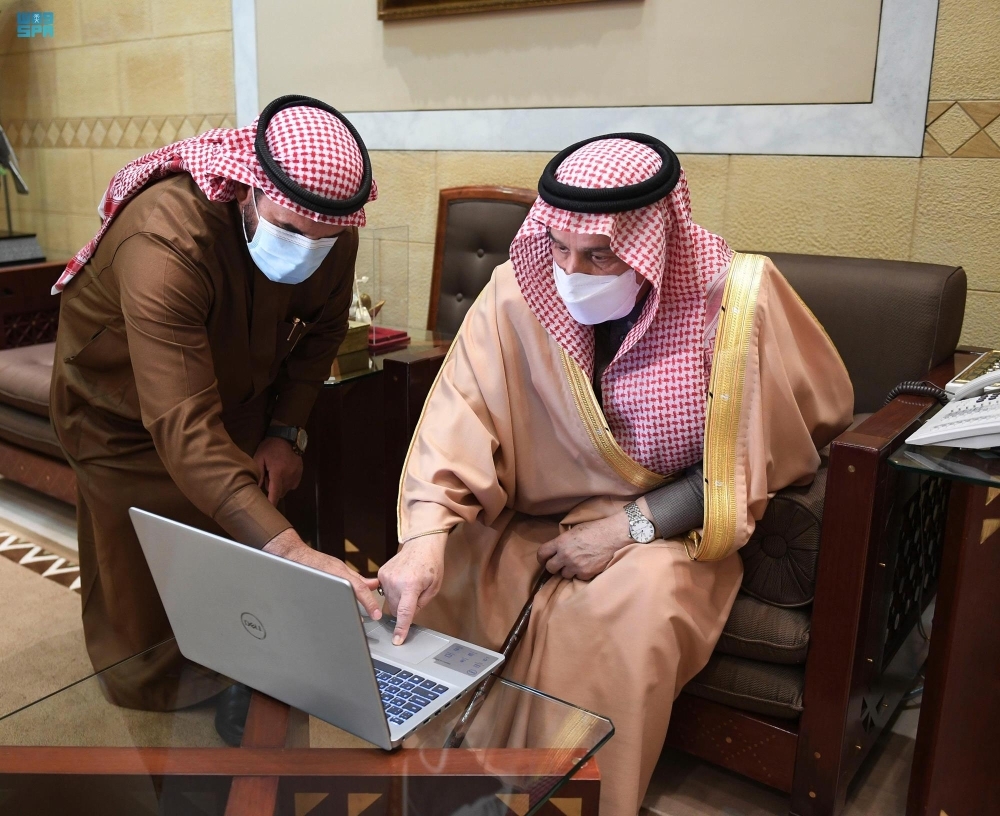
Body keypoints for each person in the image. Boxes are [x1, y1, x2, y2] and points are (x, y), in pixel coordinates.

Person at [377, 134, 854, 815]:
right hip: (534, 507)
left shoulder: (734, 301)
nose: (572, 271)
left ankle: (562, 800)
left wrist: (627, 528)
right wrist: (425, 537)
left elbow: (753, 458)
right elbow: (461, 418)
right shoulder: (518, 288)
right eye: (559, 248)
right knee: (449, 565)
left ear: (651, 242)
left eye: (599, 255)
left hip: (667, 524)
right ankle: (435, 781)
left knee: (625, 608)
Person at [49, 96, 383, 730]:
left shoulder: (330, 233)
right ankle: (157, 693)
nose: (306, 249)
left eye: (323, 237)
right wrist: (291, 550)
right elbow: (183, 426)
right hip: (118, 412)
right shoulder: (166, 240)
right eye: (291, 229)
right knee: (144, 571)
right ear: (249, 191)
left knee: (240, 533)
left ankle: (241, 664)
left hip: (236, 396)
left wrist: (285, 431)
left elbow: (322, 333)